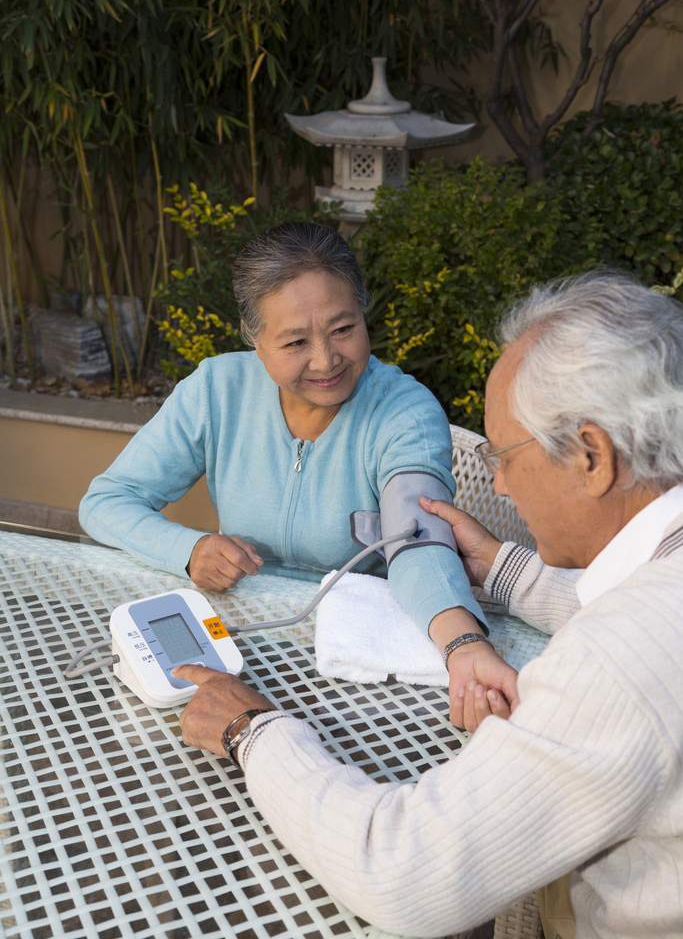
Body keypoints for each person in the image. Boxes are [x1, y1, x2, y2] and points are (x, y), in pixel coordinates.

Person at [173, 272, 683, 939]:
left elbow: (402, 874)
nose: (496, 482)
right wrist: (505, 572)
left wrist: (256, 730)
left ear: (590, 455)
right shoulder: (652, 600)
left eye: (504, 454)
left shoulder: (617, 659)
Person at [79, 221, 517, 722]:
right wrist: (190, 549)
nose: (326, 359)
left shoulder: (405, 412)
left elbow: (417, 541)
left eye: (343, 329)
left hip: (358, 669)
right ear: (255, 341)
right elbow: (106, 502)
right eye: (294, 343)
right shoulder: (217, 390)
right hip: (237, 643)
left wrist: (464, 645)